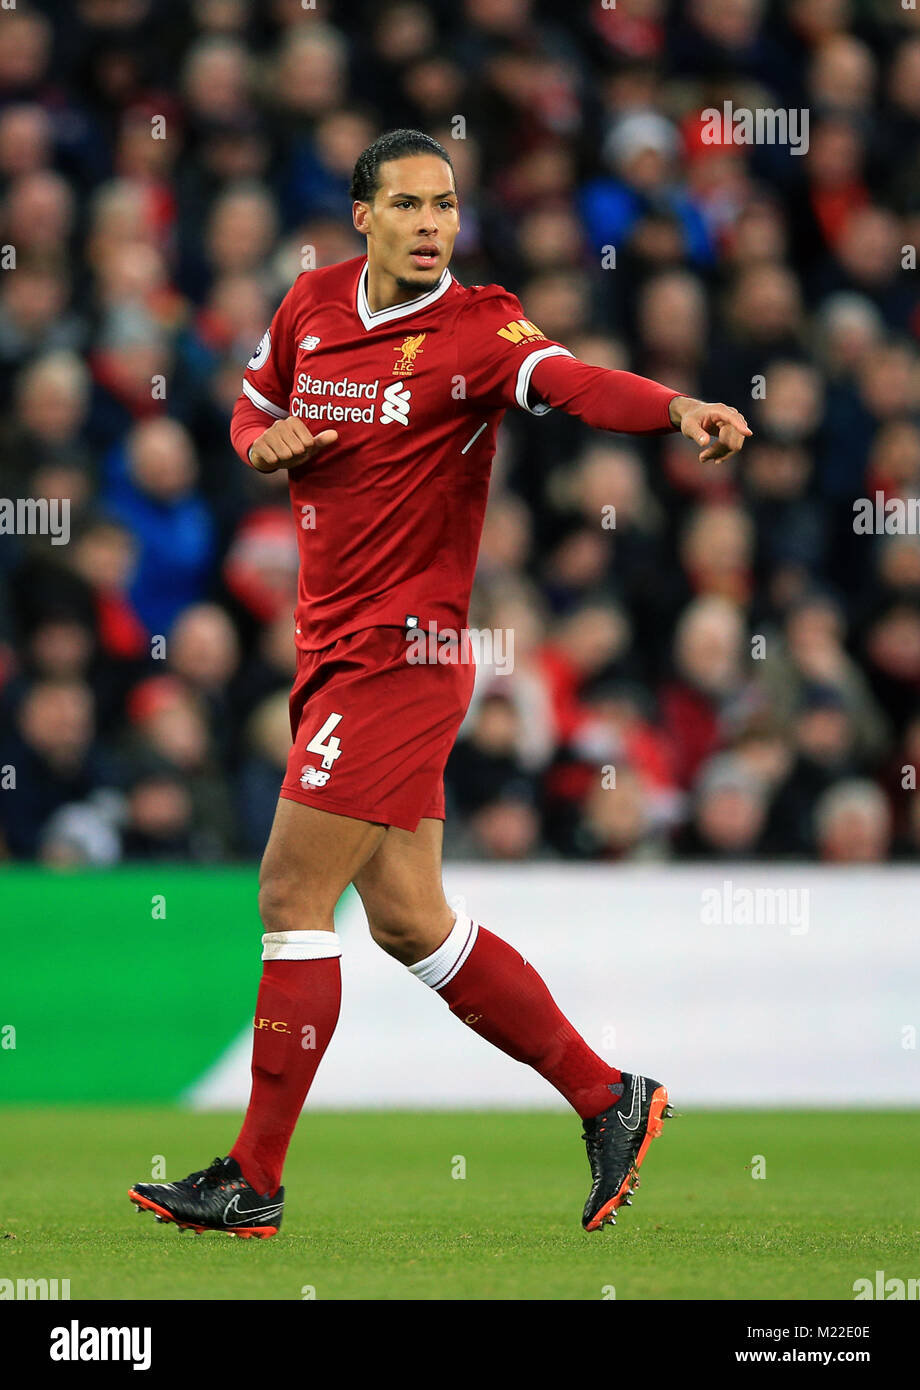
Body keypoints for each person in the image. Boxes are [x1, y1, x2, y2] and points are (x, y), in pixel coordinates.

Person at [129, 128, 750, 1238]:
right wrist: (258, 441)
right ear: (360, 214)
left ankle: (253, 1175)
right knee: (411, 922)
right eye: (409, 206)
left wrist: (673, 410)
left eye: (447, 207)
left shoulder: (475, 328)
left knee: (287, 896)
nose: (431, 227)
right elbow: (249, 400)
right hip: (329, 649)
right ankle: (610, 1097)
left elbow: (567, 378)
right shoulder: (309, 304)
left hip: (403, 655)